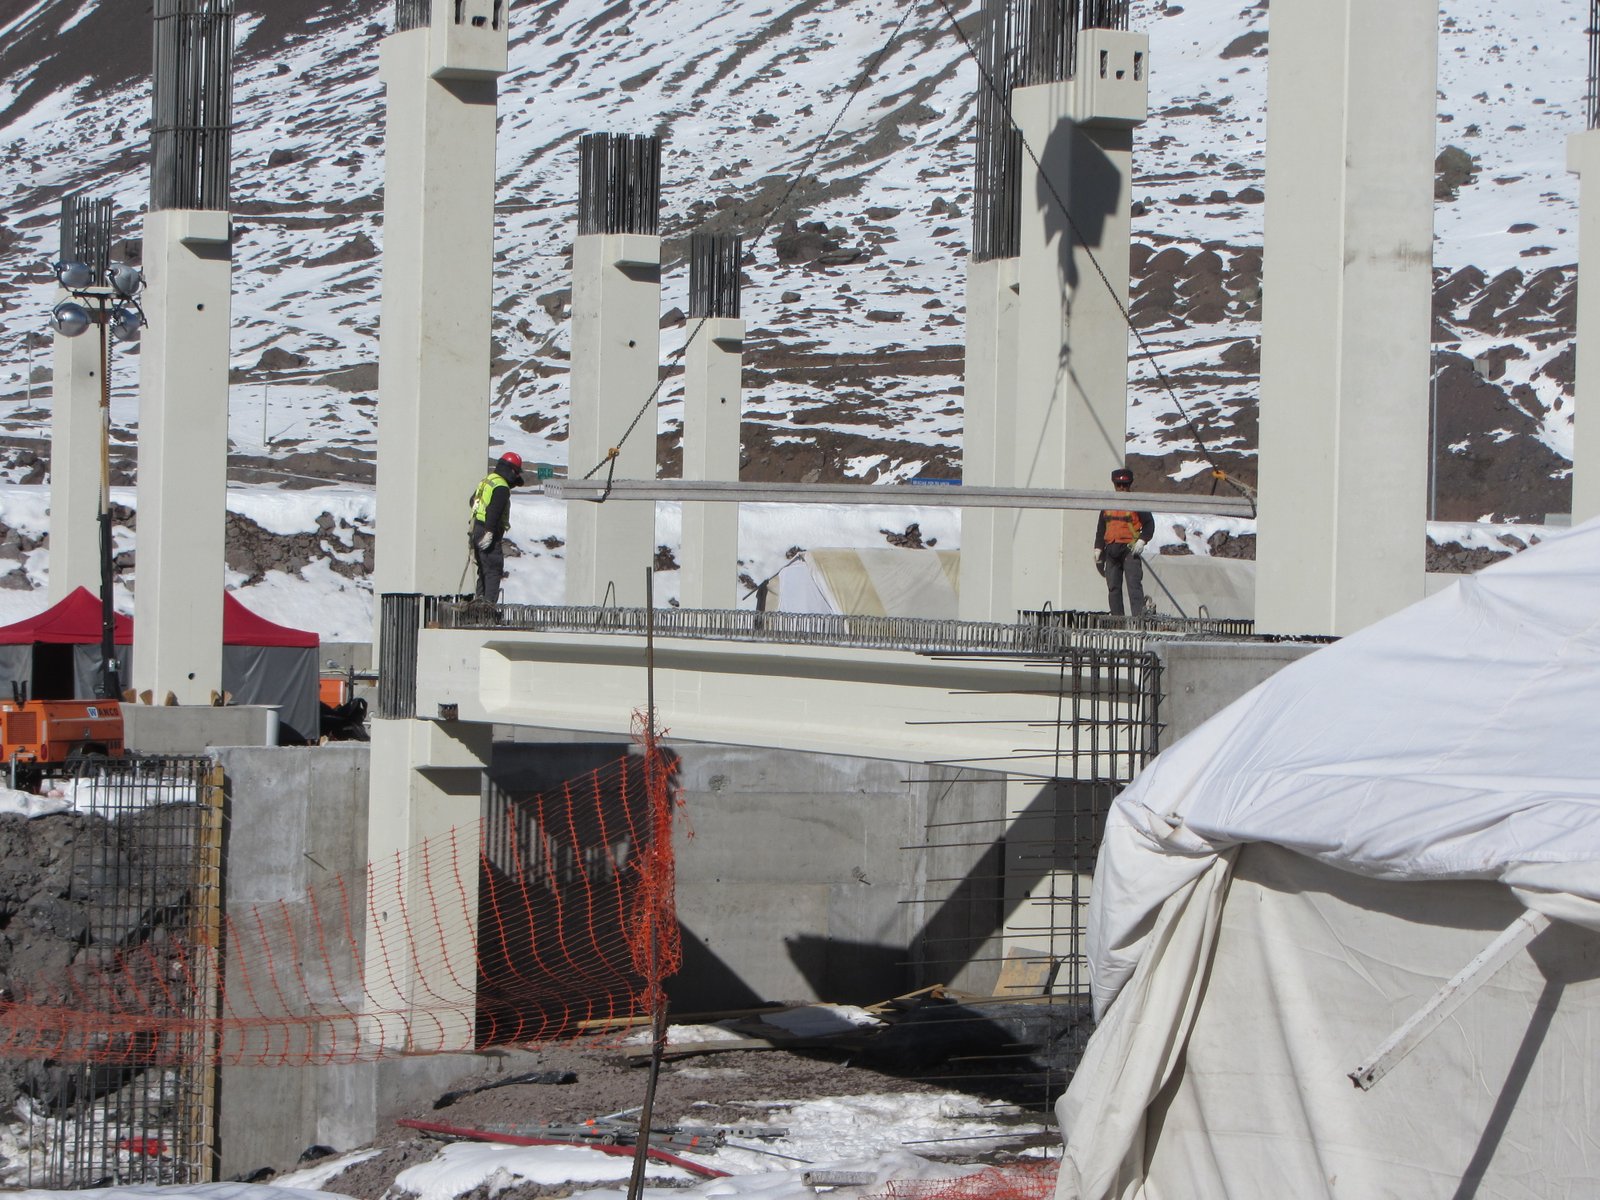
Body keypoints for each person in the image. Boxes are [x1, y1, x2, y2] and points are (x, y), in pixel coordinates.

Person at [1094, 466, 1153, 618]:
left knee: (1134, 586)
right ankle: (1117, 621)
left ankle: (1138, 620)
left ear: (1130, 485)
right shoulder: (1107, 504)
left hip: (1129, 550)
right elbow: (1101, 528)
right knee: (1113, 587)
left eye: (1124, 485)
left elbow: (1149, 525)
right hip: (1111, 549)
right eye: (1118, 485)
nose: (1121, 488)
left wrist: (1142, 541)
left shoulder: (1137, 503)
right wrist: (1098, 548)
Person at [469, 452, 524, 603]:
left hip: (477, 529)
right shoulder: (501, 488)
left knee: (483, 570)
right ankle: (488, 609)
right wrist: (489, 532)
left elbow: (472, 501)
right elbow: (494, 511)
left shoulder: (488, 480)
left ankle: (478, 606)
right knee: (493, 570)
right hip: (488, 532)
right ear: (512, 471)